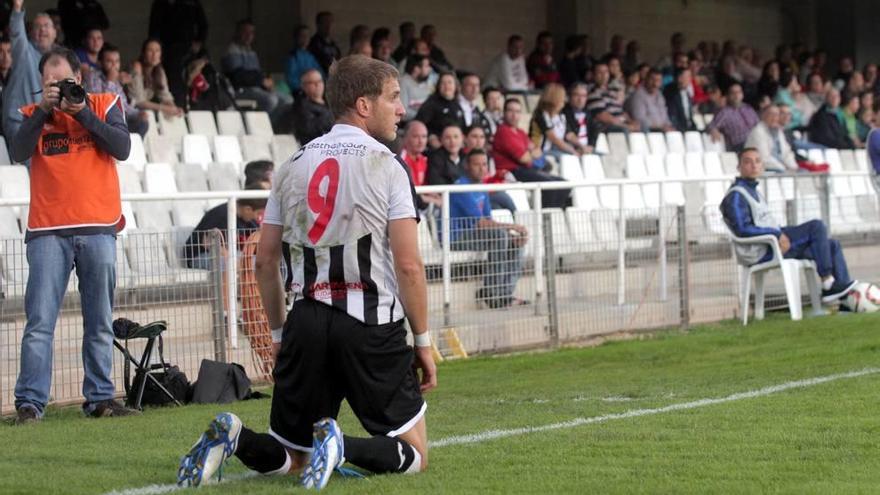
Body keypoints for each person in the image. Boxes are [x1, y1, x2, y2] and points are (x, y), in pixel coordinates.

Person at [177, 55, 435, 490]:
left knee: (294, 457)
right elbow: (408, 265)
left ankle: (237, 437)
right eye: (393, 98)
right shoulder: (388, 165)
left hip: (307, 321)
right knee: (416, 455)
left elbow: (264, 260)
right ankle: (342, 446)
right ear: (363, 104)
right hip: (370, 323)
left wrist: (279, 336)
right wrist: (423, 341)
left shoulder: (293, 164)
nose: (402, 109)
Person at [10, 46, 134, 424]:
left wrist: (83, 114)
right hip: (48, 229)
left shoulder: (104, 102)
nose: (58, 88)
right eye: (50, 82)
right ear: (41, 85)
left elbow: (122, 148)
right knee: (39, 323)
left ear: (78, 80)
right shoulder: (32, 114)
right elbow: (17, 151)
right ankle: (30, 404)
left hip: (98, 226)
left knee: (99, 320)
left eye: (64, 82)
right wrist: (46, 110)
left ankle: (99, 398)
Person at [721, 148, 857, 303]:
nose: (753, 165)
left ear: (762, 166)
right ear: (739, 167)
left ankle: (843, 297)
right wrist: (776, 235)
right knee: (816, 226)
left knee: (832, 244)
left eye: (757, 161)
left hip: (771, 244)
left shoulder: (753, 191)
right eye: (747, 162)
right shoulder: (736, 195)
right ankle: (827, 281)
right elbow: (742, 229)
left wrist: (776, 233)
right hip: (761, 251)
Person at [450, 148, 527, 308]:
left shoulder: (482, 186)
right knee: (500, 236)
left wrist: (513, 233)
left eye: (484, 164)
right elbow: (481, 223)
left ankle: (505, 295)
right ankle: (490, 293)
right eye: (476, 164)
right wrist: (512, 226)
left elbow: (488, 220)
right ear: (467, 166)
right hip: (456, 237)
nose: (481, 168)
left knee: (516, 241)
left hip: (477, 235)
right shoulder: (461, 187)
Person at [492, 98, 571, 209]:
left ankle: (553, 216)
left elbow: (538, 151)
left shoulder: (520, 132)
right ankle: (545, 218)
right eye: (510, 111)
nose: (514, 115)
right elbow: (524, 158)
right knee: (551, 186)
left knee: (564, 184)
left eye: (518, 111)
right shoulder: (503, 131)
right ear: (504, 113)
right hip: (513, 172)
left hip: (527, 169)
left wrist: (530, 154)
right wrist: (530, 153)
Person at [3, 0, 57, 140]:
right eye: (38, 26)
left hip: (44, 125)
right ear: (31, 32)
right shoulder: (24, 52)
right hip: (20, 122)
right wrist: (17, 8)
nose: (43, 30)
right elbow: (16, 34)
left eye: (46, 26)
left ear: (55, 32)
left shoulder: (60, 59)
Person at [183, 182, 268, 270]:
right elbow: (208, 244)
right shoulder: (220, 215)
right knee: (233, 264)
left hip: (231, 254)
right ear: (247, 209)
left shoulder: (249, 220)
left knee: (262, 261)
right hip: (201, 256)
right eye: (258, 213)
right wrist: (235, 261)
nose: (258, 217)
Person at [222, 19, 291, 122]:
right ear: (237, 32)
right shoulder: (231, 50)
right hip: (239, 90)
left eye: (251, 33)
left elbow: (257, 73)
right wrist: (261, 81)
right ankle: (257, 127)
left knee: (287, 100)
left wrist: (266, 81)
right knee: (270, 100)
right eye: (245, 32)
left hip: (256, 88)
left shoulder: (251, 51)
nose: (248, 35)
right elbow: (238, 77)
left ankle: (272, 127)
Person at [148, 0, 208, 107]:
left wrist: (199, 42)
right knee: (173, 80)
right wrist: (156, 50)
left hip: (189, 48)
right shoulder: (160, 3)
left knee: (200, 74)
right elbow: (153, 29)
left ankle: (195, 106)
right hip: (168, 50)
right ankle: (177, 106)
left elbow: (203, 25)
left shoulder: (192, 3)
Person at [84, 43, 149, 137]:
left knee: (143, 123)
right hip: (102, 123)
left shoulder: (116, 78)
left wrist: (138, 113)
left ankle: (131, 150)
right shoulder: (92, 77)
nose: (114, 65)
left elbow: (124, 106)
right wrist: (110, 81)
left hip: (119, 121)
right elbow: (100, 107)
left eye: (117, 61)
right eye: (109, 61)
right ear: (100, 62)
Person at [463, 124, 517, 212]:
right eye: (474, 136)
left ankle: (516, 224)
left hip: (485, 192)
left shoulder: (488, 157)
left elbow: (486, 179)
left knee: (501, 204)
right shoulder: (463, 158)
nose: (478, 140)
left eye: (481, 137)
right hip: (474, 195)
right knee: (503, 199)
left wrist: (499, 176)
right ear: (465, 138)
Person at [128, 38, 184, 119]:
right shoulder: (137, 67)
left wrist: (174, 108)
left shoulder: (159, 70)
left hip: (144, 113)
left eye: (157, 51)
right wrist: (165, 108)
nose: (154, 55)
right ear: (143, 53)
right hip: (130, 111)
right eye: (150, 51)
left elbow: (165, 95)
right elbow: (138, 101)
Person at [529, 82, 585, 157]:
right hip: (542, 151)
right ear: (555, 98)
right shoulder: (541, 115)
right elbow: (554, 139)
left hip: (556, 150)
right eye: (562, 97)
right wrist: (573, 151)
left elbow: (569, 134)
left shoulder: (560, 115)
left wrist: (582, 146)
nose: (565, 100)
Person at [586, 62, 640, 135]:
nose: (604, 75)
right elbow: (602, 116)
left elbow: (620, 110)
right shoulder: (592, 92)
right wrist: (626, 126)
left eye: (606, 72)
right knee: (623, 129)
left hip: (621, 123)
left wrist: (631, 121)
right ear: (593, 75)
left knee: (641, 126)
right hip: (607, 127)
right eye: (600, 72)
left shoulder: (612, 91)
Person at [414, 71, 465, 148]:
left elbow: (462, 128)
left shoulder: (458, 106)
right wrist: (430, 137)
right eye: (443, 83)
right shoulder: (431, 103)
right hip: (435, 147)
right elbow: (418, 124)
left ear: (455, 86)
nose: (446, 86)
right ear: (438, 86)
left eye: (449, 82)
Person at [706, 82, 759, 152]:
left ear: (742, 94)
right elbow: (712, 125)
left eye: (739, 92)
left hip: (755, 142)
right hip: (739, 146)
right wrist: (714, 130)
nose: (736, 95)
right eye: (733, 93)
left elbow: (758, 125)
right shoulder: (725, 112)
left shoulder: (749, 109)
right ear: (728, 96)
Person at [744, 105, 797, 172]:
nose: (774, 117)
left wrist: (793, 167)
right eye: (771, 114)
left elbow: (786, 153)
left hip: (779, 168)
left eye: (777, 114)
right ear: (763, 116)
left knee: (803, 172)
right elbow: (763, 158)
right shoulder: (758, 132)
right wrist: (784, 169)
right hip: (761, 169)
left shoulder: (778, 131)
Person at [288, 68, 333, 145]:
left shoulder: (330, 101)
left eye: (319, 81)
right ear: (303, 86)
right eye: (312, 82)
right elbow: (309, 128)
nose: (317, 85)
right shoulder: (300, 107)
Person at [285, 25, 322, 94]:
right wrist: (305, 87)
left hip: (315, 89)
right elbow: (291, 79)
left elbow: (320, 72)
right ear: (296, 38)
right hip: (301, 91)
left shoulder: (310, 56)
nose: (305, 38)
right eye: (302, 36)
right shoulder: (293, 57)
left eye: (307, 36)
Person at [399, 54, 432, 121]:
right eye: (426, 66)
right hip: (410, 124)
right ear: (416, 69)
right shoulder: (404, 82)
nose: (430, 69)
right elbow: (403, 112)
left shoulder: (425, 83)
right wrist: (423, 117)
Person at [663, 67, 696, 132]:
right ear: (680, 78)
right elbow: (672, 115)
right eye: (688, 77)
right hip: (678, 129)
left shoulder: (687, 93)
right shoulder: (671, 93)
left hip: (689, 129)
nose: (690, 79)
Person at [562, 82, 594, 149]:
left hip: (587, 148)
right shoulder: (563, 113)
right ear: (569, 97)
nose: (580, 99)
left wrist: (591, 146)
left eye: (583, 96)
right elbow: (568, 134)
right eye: (576, 95)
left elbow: (594, 131)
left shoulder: (588, 113)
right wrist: (582, 147)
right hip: (571, 149)